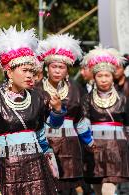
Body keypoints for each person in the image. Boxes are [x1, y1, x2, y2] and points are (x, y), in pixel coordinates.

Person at [0, 26, 65, 194]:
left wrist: (57, 110)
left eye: (32, 71)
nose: (30, 75)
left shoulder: (38, 97)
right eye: (25, 71)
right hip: (5, 166)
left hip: (35, 164)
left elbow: (46, 129)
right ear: (9, 72)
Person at [36, 34, 95, 194]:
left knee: (72, 188)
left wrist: (90, 141)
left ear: (67, 69)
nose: (57, 70)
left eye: (61, 67)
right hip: (45, 145)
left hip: (71, 147)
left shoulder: (76, 89)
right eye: (54, 66)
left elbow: (80, 121)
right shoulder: (36, 90)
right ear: (47, 67)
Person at [81, 46, 129, 195]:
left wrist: (126, 142)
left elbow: (127, 123)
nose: (103, 79)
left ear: (112, 76)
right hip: (94, 147)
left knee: (109, 188)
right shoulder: (87, 99)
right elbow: (83, 122)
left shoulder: (122, 98)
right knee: (97, 188)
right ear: (94, 77)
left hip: (116, 147)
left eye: (107, 75)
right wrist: (88, 141)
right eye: (100, 75)